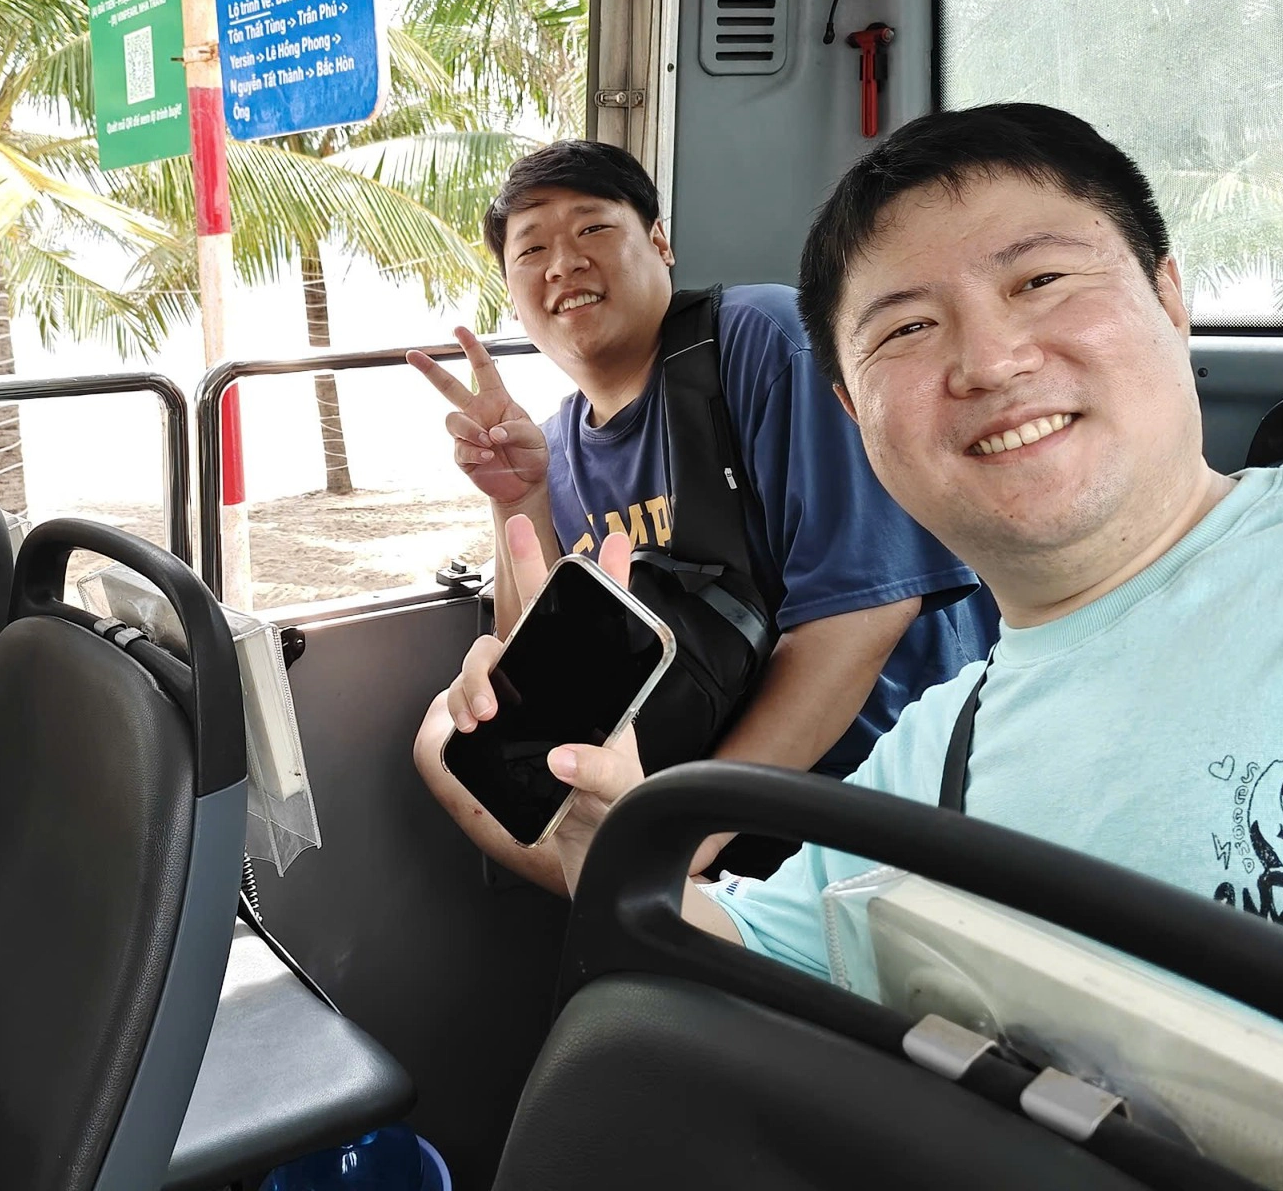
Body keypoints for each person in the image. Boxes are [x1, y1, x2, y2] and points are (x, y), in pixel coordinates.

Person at [452, 103, 1283, 999]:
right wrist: (602, 831)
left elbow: (851, 619)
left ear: (1167, 296)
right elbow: (737, 943)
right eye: (909, 329)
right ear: (853, 410)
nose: (986, 361)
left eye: (1040, 280)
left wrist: (690, 825)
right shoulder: (935, 757)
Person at [408, 140, 998, 892]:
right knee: (442, 740)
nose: (563, 264)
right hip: (703, 793)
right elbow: (544, 686)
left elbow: (863, 617)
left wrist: (691, 831)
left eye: (593, 229)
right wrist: (517, 498)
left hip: (876, 780)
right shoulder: (551, 445)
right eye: (532, 250)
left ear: (660, 243)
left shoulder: (761, 340)